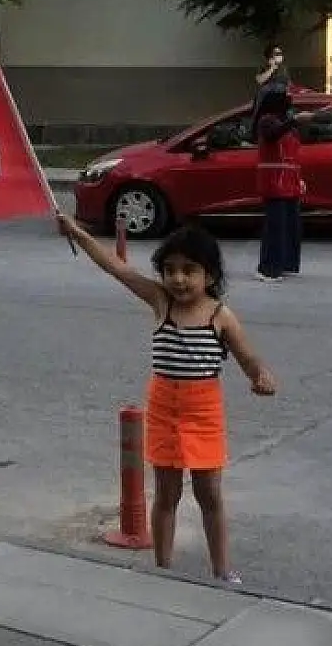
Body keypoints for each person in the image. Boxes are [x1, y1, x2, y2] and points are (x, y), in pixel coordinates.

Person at [57, 217, 276, 581]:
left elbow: (247, 356)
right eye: (170, 270)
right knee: (166, 494)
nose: (178, 279)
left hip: (204, 412)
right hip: (163, 411)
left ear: (209, 276)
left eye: (189, 270)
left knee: (210, 495)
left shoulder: (221, 316)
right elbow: (116, 268)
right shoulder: (161, 302)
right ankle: (163, 569)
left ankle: (222, 569)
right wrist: (79, 233)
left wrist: (259, 376)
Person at [254, 84, 304, 282]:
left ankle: (286, 263)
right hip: (275, 183)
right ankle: (267, 267)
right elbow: (273, 135)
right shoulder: (266, 121)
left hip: (289, 182)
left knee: (291, 226)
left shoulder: (285, 123)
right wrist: (294, 121)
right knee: (276, 227)